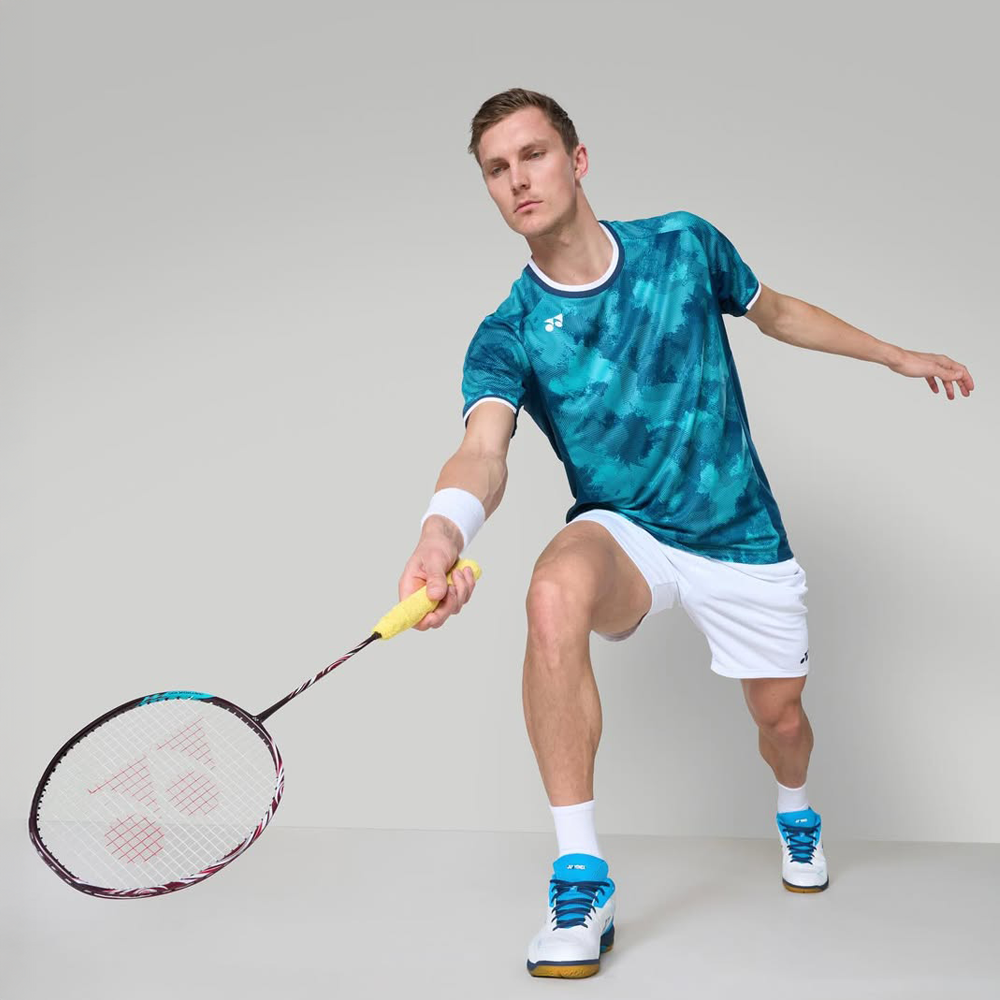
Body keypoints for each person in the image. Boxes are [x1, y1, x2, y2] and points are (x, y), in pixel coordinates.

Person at [397, 88, 975, 980]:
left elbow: (777, 313)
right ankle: (581, 879)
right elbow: (483, 450)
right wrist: (441, 534)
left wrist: (895, 354)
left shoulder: (682, 245)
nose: (518, 180)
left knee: (782, 719)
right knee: (552, 591)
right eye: (496, 169)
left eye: (533, 155)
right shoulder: (509, 333)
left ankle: (795, 809)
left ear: (577, 160)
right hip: (626, 532)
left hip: (738, 532)